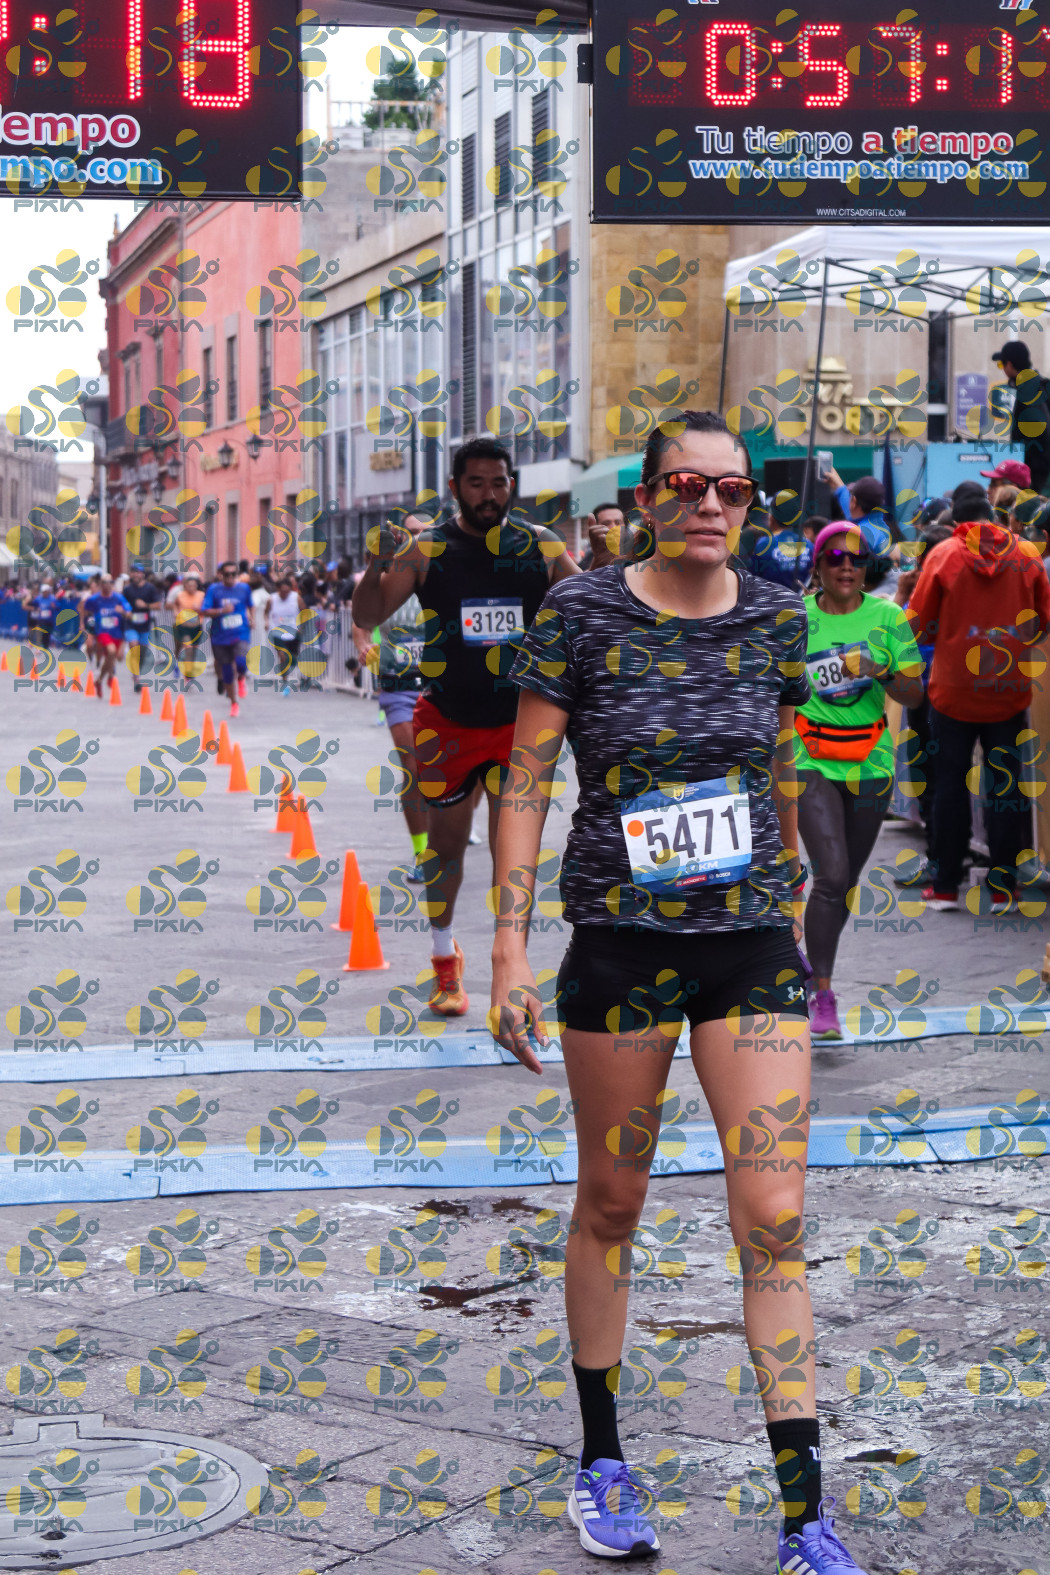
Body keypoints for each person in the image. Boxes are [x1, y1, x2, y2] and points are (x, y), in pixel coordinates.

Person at [490, 410, 870, 1572]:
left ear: (752, 503)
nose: (711, 506)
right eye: (688, 486)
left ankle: (806, 1513)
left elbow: (781, 750)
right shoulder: (580, 613)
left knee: (775, 1218)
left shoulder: (779, 618)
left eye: (733, 490)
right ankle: (603, 1461)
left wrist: (789, 867)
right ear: (648, 497)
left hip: (749, 949)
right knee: (613, 1202)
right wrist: (506, 951)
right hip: (621, 950)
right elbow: (525, 781)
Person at [352, 437, 580, 1015]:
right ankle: (443, 958)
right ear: (456, 488)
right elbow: (368, 614)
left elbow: (589, 608)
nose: (489, 495)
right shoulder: (428, 548)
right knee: (446, 851)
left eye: (498, 483)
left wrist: (608, 561)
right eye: (476, 483)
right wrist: (378, 563)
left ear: (511, 486)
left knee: (513, 855)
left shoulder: (541, 544)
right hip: (447, 722)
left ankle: (510, 966)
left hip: (518, 725)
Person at [794, 524, 924, 1039]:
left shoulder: (889, 617)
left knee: (844, 882)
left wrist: (881, 669)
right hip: (809, 758)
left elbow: (915, 694)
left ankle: (809, 957)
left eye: (857, 558)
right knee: (831, 875)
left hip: (870, 762)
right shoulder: (796, 617)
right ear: (818, 565)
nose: (846, 566)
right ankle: (823, 994)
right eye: (834, 557)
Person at [908, 490, 1050, 910]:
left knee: (950, 785)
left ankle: (946, 887)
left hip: (952, 690)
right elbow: (1043, 621)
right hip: (1008, 690)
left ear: (958, 523)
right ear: (996, 517)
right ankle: (1005, 888)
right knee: (1005, 786)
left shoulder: (943, 556)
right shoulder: (1027, 557)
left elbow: (919, 624)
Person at [355, 513, 432, 881]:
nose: (417, 538)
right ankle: (423, 852)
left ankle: (454, 821)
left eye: (424, 533)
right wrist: (362, 646)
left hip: (442, 687)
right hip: (399, 685)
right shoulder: (388, 577)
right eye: (411, 532)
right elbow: (361, 622)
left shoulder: (443, 575)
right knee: (413, 768)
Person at [992, 341, 1050, 494]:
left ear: (1010, 365)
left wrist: (1029, 471)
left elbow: (1041, 428)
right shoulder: (1039, 385)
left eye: (1001, 365)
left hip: (1037, 477)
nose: (1003, 369)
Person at [201, 562, 253, 717]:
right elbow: (205, 611)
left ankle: (242, 677)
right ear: (221, 575)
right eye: (227, 574)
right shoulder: (214, 589)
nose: (230, 577)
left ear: (237, 575)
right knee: (227, 672)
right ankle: (234, 703)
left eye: (233, 574)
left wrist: (251, 617)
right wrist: (222, 611)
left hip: (240, 632)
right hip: (220, 636)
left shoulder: (244, 588)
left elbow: (250, 604)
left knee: (241, 662)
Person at [741, 489, 814, 592]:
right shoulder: (810, 546)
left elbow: (752, 581)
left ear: (771, 517)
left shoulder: (763, 545)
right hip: (802, 601)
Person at [80, 573, 130, 698]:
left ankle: (100, 680)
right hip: (102, 631)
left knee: (114, 658)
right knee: (111, 652)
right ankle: (108, 676)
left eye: (110, 582)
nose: (107, 585)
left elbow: (129, 613)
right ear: (100, 584)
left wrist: (123, 611)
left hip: (117, 632)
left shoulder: (118, 598)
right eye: (104, 583)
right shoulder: (94, 599)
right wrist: (84, 624)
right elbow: (84, 609)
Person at [122, 564, 162, 692]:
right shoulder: (127, 589)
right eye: (133, 572)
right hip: (131, 624)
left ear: (143, 574)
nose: (135, 575)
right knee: (134, 647)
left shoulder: (150, 588)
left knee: (142, 652)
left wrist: (146, 605)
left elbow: (158, 605)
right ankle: (136, 678)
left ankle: (136, 671)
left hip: (145, 625)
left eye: (138, 572)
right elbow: (122, 604)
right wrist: (126, 612)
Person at [267, 575, 306, 693]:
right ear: (278, 589)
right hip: (277, 632)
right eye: (282, 591)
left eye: (287, 592)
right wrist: (265, 621)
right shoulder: (272, 599)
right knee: (283, 656)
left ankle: (288, 673)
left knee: (292, 659)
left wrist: (301, 626)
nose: (285, 594)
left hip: (293, 631)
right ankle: (285, 682)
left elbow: (304, 612)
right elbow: (266, 612)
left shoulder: (296, 598)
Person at [172, 575, 206, 678]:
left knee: (193, 650)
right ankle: (187, 672)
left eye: (194, 586)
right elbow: (175, 605)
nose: (191, 588)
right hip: (183, 625)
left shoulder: (201, 595)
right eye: (189, 586)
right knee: (188, 648)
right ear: (185, 586)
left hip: (197, 625)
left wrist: (199, 609)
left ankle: (188, 668)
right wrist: (176, 612)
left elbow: (206, 608)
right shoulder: (180, 595)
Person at [579, 502, 628, 570]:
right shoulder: (592, 556)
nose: (613, 527)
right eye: (606, 523)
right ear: (595, 527)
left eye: (618, 523)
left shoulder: (637, 552)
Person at [23, 581, 57, 650]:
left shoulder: (46, 597)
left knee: (41, 632)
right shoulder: (31, 597)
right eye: (34, 589)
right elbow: (24, 606)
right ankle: (32, 642)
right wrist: (33, 608)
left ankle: (40, 646)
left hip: (42, 618)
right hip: (33, 616)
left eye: (37, 589)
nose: (35, 590)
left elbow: (56, 605)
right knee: (32, 629)